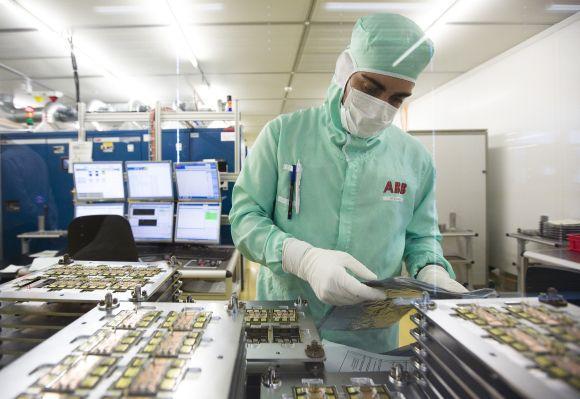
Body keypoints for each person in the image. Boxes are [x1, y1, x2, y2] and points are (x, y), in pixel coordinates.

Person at [229, 13, 466, 353]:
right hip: (287, 324)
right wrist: (302, 258)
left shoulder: (415, 160)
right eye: (370, 88)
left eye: (397, 99)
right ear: (344, 71)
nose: (380, 107)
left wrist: (431, 271)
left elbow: (421, 237)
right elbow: (244, 219)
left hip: (368, 338)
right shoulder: (283, 135)